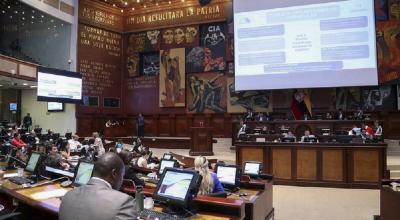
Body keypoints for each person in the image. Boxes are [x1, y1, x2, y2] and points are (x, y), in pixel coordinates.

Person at [59, 153, 138, 220]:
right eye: (122, 176)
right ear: (114, 173)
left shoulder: (68, 195)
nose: (121, 180)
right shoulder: (124, 203)